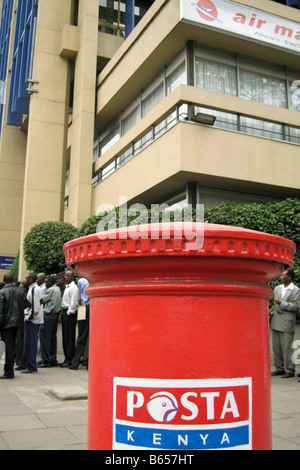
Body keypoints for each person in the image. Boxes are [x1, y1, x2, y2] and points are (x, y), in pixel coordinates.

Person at [270, 269, 300, 378]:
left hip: (287, 321)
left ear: (289, 277)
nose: (281, 277)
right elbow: (270, 297)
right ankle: (279, 368)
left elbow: (296, 306)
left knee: (287, 347)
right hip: (276, 319)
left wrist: (282, 303)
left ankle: (290, 370)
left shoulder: (295, 290)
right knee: (276, 346)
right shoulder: (277, 288)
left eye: (283, 275)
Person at [0, 272, 27, 379]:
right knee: (11, 345)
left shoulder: (2, 292)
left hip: (6, 323)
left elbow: (1, 310)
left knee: (8, 347)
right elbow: (26, 304)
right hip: (17, 322)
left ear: (4, 280)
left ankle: (8, 372)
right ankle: (9, 370)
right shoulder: (19, 291)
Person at [17, 272, 44, 373]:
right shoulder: (35, 289)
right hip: (33, 319)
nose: (25, 280)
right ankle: (24, 363)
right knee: (27, 343)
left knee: (31, 343)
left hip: (32, 320)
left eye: (27, 279)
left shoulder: (34, 289)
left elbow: (34, 307)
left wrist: (29, 317)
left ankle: (31, 365)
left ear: (31, 280)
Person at [39, 276, 61, 367]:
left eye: (47, 281)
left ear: (51, 282)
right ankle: (53, 358)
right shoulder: (57, 289)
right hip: (55, 316)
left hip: (48, 315)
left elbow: (42, 300)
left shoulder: (50, 290)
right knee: (53, 338)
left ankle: (46, 360)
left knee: (45, 338)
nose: (45, 283)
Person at [69, 277, 90, 370]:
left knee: (81, 336)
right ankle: (89, 362)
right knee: (93, 337)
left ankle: (75, 362)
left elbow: (79, 297)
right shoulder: (92, 278)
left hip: (83, 307)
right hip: (92, 306)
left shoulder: (81, 281)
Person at [60, 271, 78, 367]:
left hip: (69, 314)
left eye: (68, 276)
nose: (66, 277)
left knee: (69, 337)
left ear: (72, 277)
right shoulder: (67, 287)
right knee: (65, 337)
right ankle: (66, 358)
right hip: (65, 312)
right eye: (65, 275)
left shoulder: (73, 288)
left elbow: (73, 302)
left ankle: (69, 359)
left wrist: (69, 312)